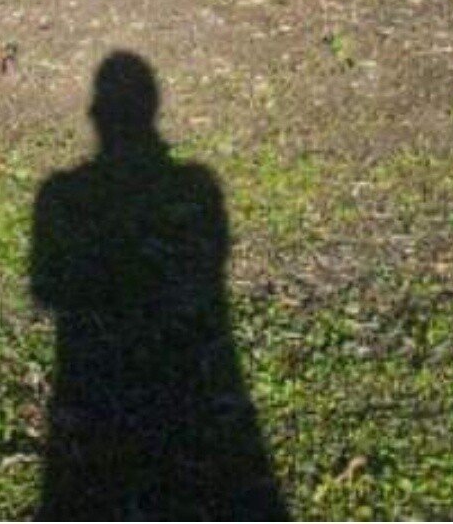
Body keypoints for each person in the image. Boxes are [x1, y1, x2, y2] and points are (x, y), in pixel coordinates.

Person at [31, 52, 286, 521]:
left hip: (94, 382)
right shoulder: (197, 186)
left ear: (95, 114)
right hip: (188, 372)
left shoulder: (62, 195)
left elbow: (45, 289)